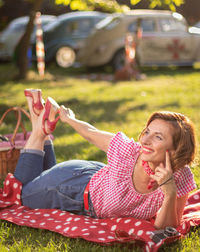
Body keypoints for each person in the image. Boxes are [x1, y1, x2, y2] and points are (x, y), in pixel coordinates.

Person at [14, 89, 197, 230]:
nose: (145, 140)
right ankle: (39, 131)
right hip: (71, 188)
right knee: (19, 196)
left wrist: (170, 192)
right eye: (147, 131)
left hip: (96, 179)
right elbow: (92, 134)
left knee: (37, 180)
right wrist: (69, 119)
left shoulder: (181, 175)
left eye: (158, 137)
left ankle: (42, 129)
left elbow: (168, 228)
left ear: (176, 151)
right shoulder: (128, 151)